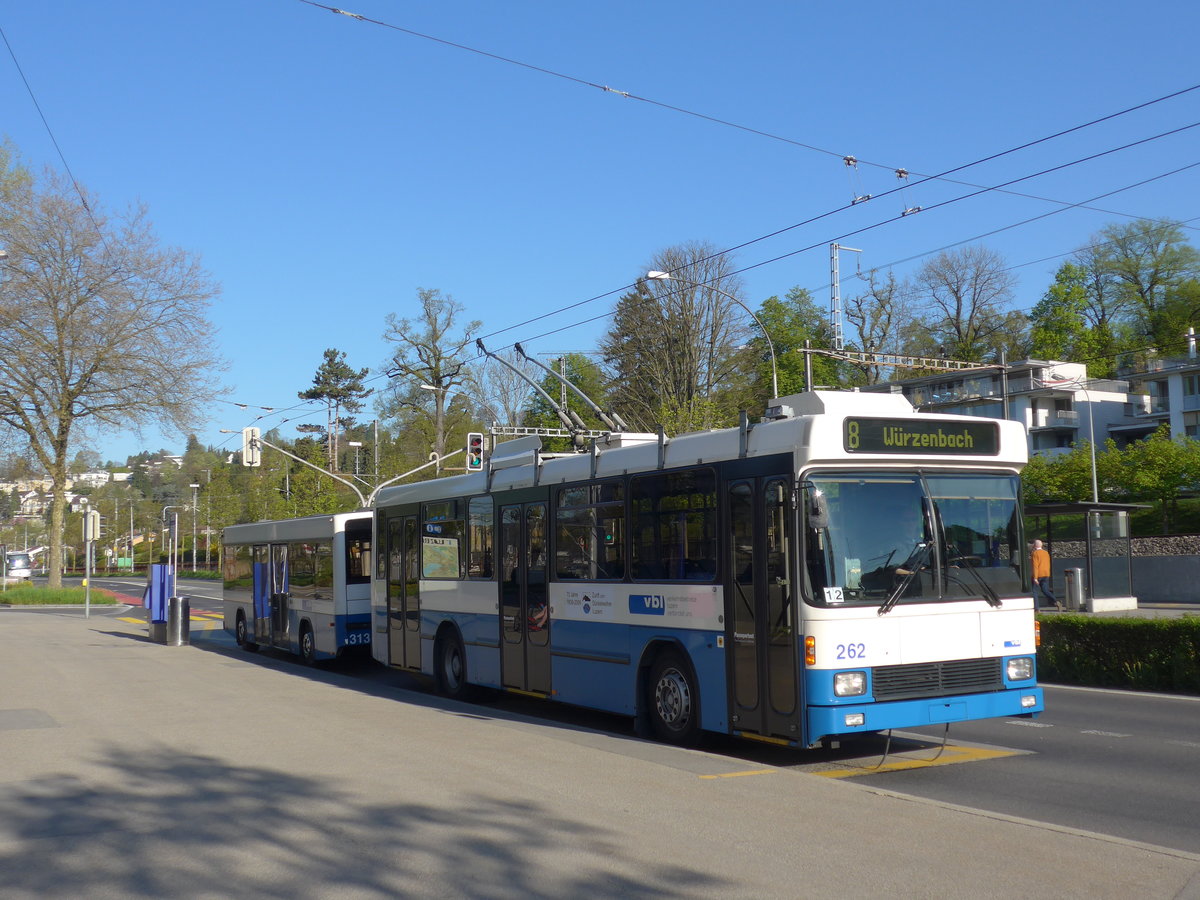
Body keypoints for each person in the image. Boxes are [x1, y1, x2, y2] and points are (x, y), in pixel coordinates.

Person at [1031, 539, 1055, 609]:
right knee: (1045, 590)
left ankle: (1036, 608)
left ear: (1034, 545)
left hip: (1038, 574)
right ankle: (1055, 600)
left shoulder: (1035, 553)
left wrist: (1035, 577)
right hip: (1046, 574)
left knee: (1034, 591)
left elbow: (1035, 566)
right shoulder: (1046, 553)